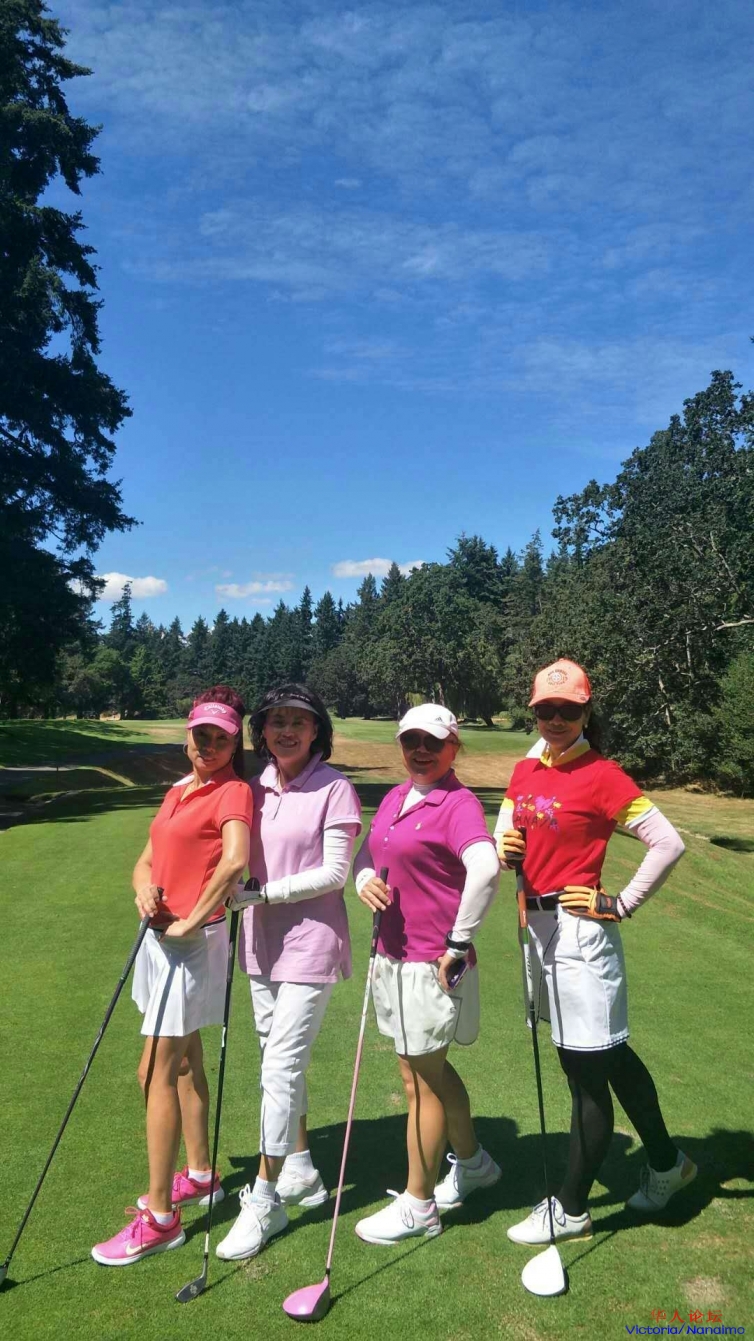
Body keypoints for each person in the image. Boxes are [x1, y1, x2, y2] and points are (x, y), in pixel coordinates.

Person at [496, 659, 695, 1247]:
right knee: (608, 1057)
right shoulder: (526, 767)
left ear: (586, 711)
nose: (556, 719)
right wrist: (506, 846)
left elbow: (668, 843)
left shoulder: (602, 775)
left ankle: (572, 1208)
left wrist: (620, 903)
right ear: (534, 711)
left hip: (581, 935)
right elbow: (509, 829)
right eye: (546, 709)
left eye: (569, 709)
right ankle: (668, 1163)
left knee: (585, 1073)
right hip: (537, 930)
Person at [92, 687, 252, 1266]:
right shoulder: (179, 789)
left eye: (220, 738)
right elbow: (146, 860)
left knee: (153, 1073)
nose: (208, 745)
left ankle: (161, 1218)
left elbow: (235, 859)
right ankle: (202, 1174)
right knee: (184, 1064)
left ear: (235, 743)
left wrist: (192, 917)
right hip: (159, 941)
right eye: (200, 734)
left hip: (190, 946)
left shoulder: (233, 791)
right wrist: (144, 889)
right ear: (188, 736)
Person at [215, 683, 361, 1261]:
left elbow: (335, 873)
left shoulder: (335, 788)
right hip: (260, 942)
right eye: (276, 721)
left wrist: (264, 894)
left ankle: (265, 1198)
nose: (287, 730)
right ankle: (300, 1165)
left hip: (311, 943)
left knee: (279, 1065)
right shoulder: (253, 788)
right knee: (274, 1058)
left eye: (298, 721)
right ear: (262, 732)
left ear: (317, 730)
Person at [352, 704, 501, 1245]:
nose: (421, 751)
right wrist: (364, 879)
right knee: (424, 1071)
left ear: (453, 748)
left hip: (429, 961)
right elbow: (368, 854)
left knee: (420, 1083)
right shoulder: (398, 795)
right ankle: (475, 1163)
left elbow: (486, 867)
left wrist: (458, 943)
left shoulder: (457, 803)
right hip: (394, 956)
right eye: (411, 740)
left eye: (433, 743)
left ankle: (419, 1204)